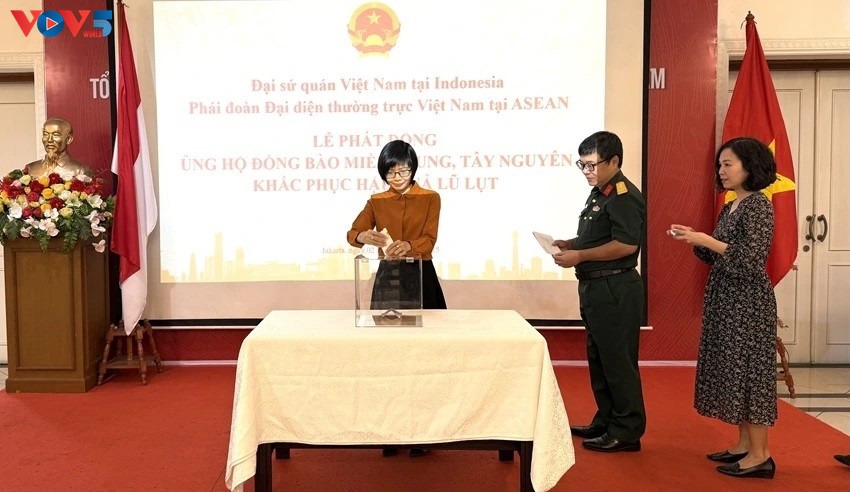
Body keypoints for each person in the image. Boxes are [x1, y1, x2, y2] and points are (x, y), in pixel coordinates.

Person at [669, 137, 778, 479]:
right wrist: (694, 238)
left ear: (750, 166)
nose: (722, 171)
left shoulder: (758, 205)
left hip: (748, 304)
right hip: (726, 300)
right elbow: (717, 253)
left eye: (728, 164)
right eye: (720, 165)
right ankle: (744, 444)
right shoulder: (732, 205)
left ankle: (761, 455)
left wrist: (706, 239)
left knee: (749, 375)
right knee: (734, 372)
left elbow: (750, 260)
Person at [346, 139, 447, 457]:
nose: (397, 177)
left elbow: (429, 240)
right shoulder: (376, 201)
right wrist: (362, 235)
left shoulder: (430, 198)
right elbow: (352, 233)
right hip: (388, 280)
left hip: (421, 278)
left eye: (403, 170)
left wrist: (410, 246)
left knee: (424, 358)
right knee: (387, 357)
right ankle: (390, 430)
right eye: (390, 172)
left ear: (413, 169)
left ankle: (424, 433)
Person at [552, 131, 646, 453]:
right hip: (596, 288)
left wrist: (579, 255)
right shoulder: (599, 194)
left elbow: (626, 244)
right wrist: (571, 243)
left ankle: (627, 430)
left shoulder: (623, 195)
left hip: (615, 288)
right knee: (600, 360)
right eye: (582, 164)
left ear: (614, 161)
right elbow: (598, 236)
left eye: (592, 164)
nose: (587, 171)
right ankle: (607, 420)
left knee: (618, 362)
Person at [24, 117, 93, 178]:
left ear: (69, 139)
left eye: (56, 135)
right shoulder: (30, 169)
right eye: (45, 134)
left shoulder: (81, 170)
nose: (49, 140)